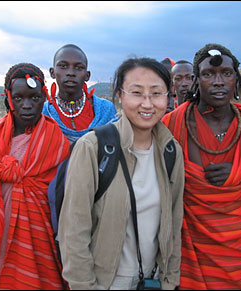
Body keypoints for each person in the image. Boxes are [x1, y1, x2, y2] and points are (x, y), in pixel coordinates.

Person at [58, 57, 185, 290]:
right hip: (105, 283)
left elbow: (174, 224)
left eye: (156, 93)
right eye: (137, 92)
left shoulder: (171, 150)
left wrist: (171, 280)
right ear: (119, 95)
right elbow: (73, 231)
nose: (147, 104)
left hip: (154, 282)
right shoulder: (93, 147)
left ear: (168, 96)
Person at [162, 43, 241, 290]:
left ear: (236, 80)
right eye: (208, 74)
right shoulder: (170, 126)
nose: (218, 82)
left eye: (226, 74)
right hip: (192, 249)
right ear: (196, 81)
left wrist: (238, 175)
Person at [0, 63, 70, 289]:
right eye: (18, 98)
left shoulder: (56, 141)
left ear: (45, 97)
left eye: (35, 98)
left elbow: (63, 197)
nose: (27, 105)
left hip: (39, 238)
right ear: (8, 99)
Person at [43, 44, 118, 143]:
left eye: (79, 67)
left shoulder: (106, 111)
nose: (71, 73)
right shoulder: (44, 114)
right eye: (63, 66)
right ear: (52, 72)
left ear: (87, 76)